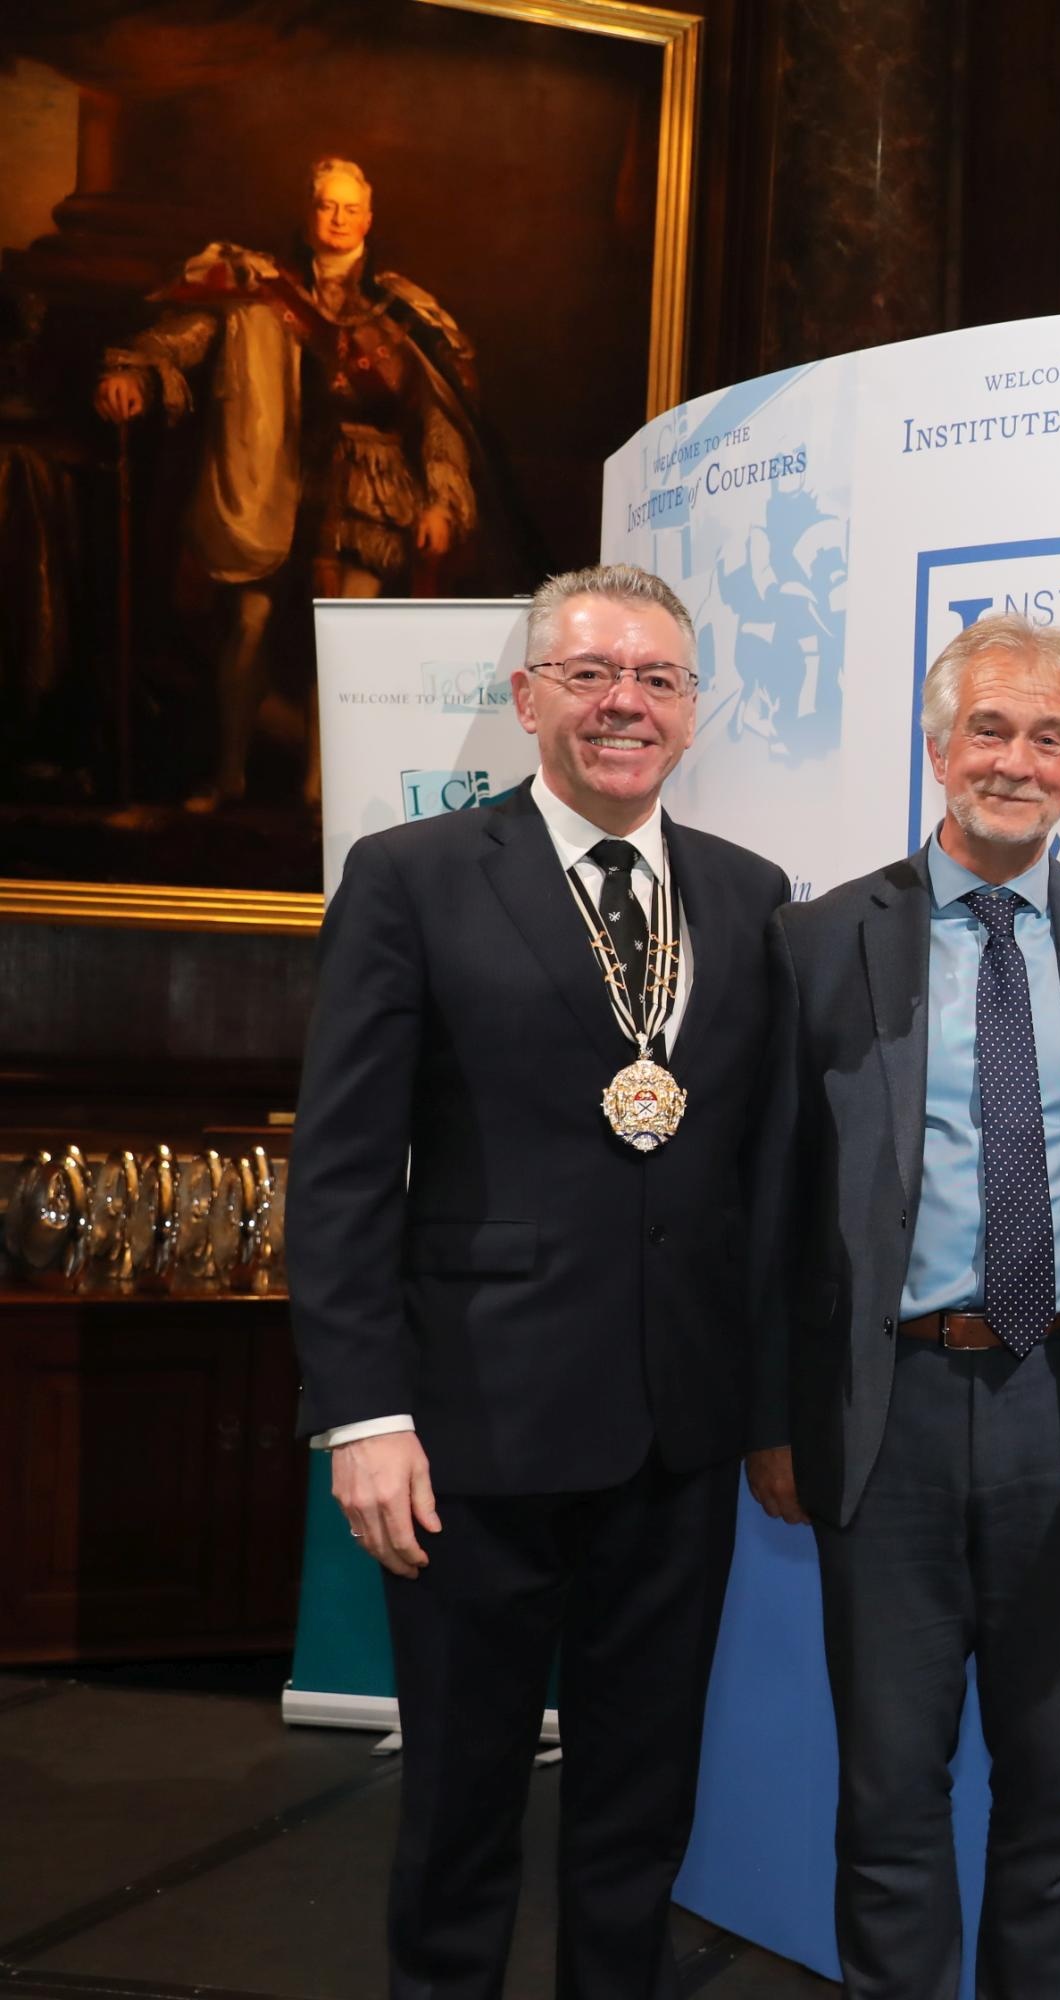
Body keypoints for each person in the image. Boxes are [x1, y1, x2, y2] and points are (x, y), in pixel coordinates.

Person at [286, 563, 790, 1998]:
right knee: (460, 1802)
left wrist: (769, 1409)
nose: (626, 703)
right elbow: (341, 1170)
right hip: (470, 1432)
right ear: (526, 697)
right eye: (591, 673)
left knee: (641, 1806)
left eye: (657, 678)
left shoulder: (750, 895)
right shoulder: (413, 875)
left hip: (675, 1439)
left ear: (691, 708)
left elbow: (760, 1182)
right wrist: (363, 1413)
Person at [755, 613, 1060, 1999]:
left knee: (1056, 1792)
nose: (1016, 759)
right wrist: (771, 1417)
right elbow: (769, 1206)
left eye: (1049, 737)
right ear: (938, 748)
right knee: (889, 1792)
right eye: (989, 728)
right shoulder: (818, 941)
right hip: (891, 1415)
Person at [96, 155, 483, 807]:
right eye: (327, 206)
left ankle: (321, 792)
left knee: (343, 634)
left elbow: (439, 417)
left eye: (350, 208)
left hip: (366, 488)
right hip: (270, 477)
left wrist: (443, 501)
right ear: (308, 214)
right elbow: (179, 340)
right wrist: (132, 374)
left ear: (369, 218)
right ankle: (230, 776)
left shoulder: (400, 309)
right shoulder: (258, 289)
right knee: (248, 625)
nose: (338, 219)